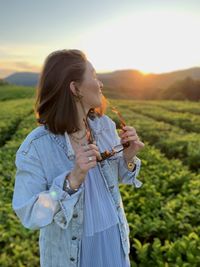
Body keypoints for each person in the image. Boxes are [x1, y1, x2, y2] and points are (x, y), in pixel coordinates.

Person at [12, 49, 145, 267]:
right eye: (93, 76)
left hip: (113, 237)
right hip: (73, 254)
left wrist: (128, 158)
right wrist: (71, 181)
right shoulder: (36, 146)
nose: (100, 84)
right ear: (75, 88)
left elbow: (119, 175)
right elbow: (30, 214)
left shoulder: (104, 126)